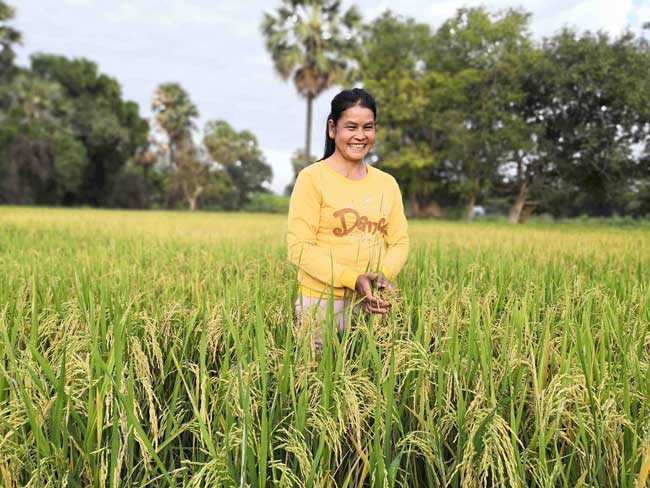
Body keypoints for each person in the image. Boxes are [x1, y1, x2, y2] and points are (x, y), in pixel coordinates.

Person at [287, 88, 409, 348]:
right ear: (332, 128)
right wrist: (353, 279)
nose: (360, 136)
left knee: (369, 375)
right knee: (315, 381)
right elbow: (298, 249)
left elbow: (399, 241)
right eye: (351, 127)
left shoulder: (387, 184)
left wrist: (380, 277)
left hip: (373, 304)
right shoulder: (312, 178)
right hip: (319, 305)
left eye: (368, 127)